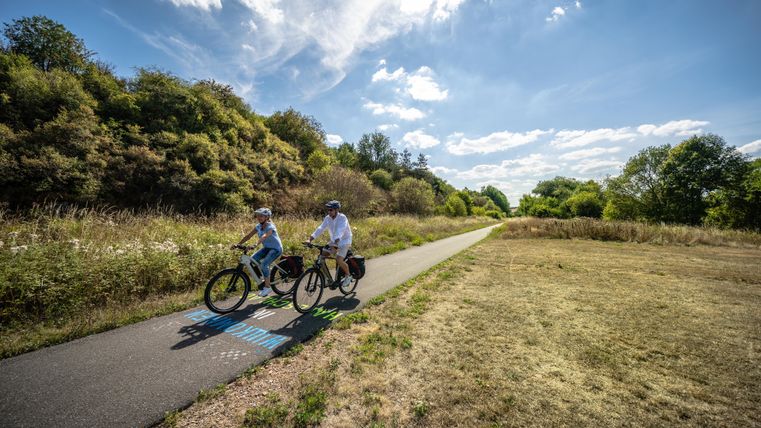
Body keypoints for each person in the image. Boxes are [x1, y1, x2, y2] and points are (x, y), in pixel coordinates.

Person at [233, 207, 282, 297]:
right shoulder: (258, 226)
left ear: (267, 217)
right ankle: (262, 278)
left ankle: (267, 287)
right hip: (267, 248)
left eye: (262, 216)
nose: (259, 217)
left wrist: (255, 245)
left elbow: (264, 236)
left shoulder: (270, 226)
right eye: (258, 216)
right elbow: (248, 236)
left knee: (264, 264)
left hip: (275, 249)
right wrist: (238, 244)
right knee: (252, 260)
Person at [308, 200, 353, 288]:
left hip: (344, 241)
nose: (329, 212)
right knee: (322, 257)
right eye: (328, 210)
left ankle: (348, 276)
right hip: (334, 241)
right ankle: (327, 279)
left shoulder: (342, 217)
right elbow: (320, 228)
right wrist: (310, 239)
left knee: (339, 259)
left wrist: (335, 243)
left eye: (331, 210)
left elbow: (341, 229)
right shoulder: (327, 218)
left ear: (336, 210)